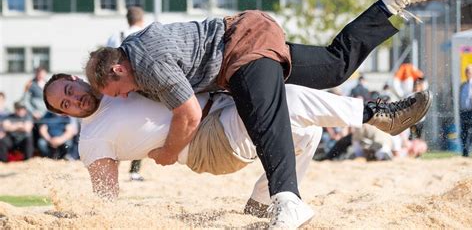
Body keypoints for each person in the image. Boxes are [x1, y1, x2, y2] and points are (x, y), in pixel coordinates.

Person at [84, 0, 447, 227]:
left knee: (266, 118)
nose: (127, 96)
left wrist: (166, 153)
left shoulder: (146, 65)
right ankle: (390, 1)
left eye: (120, 91)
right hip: (249, 32)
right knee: (334, 68)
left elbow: (189, 114)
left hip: (239, 48)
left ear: (117, 70)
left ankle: (287, 199)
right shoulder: (134, 48)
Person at [43, 74, 430, 218]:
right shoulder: (91, 140)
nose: (73, 99)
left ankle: (263, 201)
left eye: (69, 89)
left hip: (222, 108)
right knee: (288, 100)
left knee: (305, 132)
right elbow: (104, 200)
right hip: (205, 144)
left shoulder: (114, 83)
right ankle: (378, 113)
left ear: (76, 79)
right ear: (65, 114)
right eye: (64, 104)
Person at [107, 6, 147, 181]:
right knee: (141, 128)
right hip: (141, 86)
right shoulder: (145, 32)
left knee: (117, 128)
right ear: (141, 19)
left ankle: (113, 165)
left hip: (118, 86)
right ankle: (134, 170)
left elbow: (105, 61)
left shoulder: (116, 35)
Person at [460, 65, 472, 157]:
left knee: (471, 132)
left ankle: (468, 150)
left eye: (469, 71)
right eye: (466, 71)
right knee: (464, 133)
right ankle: (465, 152)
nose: (467, 73)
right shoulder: (463, 85)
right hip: (464, 112)